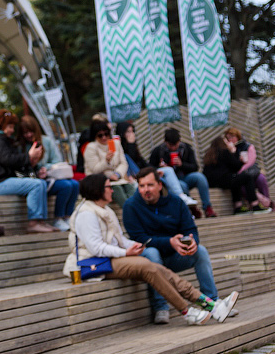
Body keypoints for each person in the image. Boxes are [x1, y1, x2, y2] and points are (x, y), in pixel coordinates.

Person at [63, 174, 237, 326]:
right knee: (149, 266)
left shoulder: (104, 210)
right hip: (93, 265)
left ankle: (210, 305)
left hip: (110, 259)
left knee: (157, 268)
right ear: (97, 190)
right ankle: (187, 312)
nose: (112, 190)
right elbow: (96, 248)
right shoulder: (86, 214)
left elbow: (119, 239)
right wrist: (126, 252)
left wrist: (133, 246)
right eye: (109, 187)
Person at [123, 167, 232, 325]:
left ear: (160, 185)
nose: (145, 190)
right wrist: (170, 242)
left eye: (150, 185)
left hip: (174, 256)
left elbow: (190, 228)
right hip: (149, 260)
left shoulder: (176, 201)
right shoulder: (131, 206)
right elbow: (139, 239)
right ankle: (160, 307)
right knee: (152, 252)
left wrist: (191, 241)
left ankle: (213, 302)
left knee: (200, 251)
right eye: (141, 186)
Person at [0, 109, 57, 233]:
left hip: (3, 181)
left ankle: (41, 222)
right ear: (1, 124)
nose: (12, 130)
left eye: (12, 127)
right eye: (10, 126)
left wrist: (33, 165)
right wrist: (29, 156)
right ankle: (33, 222)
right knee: (36, 185)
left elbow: (16, 164)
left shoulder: (4, 140)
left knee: (40, 183)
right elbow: (8, 159)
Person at [18, 115, 80, 231]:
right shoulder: (21, 146)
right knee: (65, 186)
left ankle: (68, 216)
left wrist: (45, 168)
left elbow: (56, 161)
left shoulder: (46, 141)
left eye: (31, 131)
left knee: (75, 184)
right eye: (25, 133)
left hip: (49, 176)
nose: (29, 135)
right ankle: (58, 218)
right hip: (36, 180)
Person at [148, 128, 212, 217]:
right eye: (170, 145)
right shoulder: (158, 151)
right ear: (165, 142)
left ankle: (207, 207)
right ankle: (191, 208)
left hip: (185, 176)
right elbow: (150, 167)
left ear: (179, 141)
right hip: (170, 180)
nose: (173, 148)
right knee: (182, 186)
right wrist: (161, 168)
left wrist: (182, 164)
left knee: (200, 177)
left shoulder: (186, 148)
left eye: (175, 145)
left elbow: (195, 167)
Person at [203, 134, 269, 214]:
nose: (228, 142)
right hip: (223, 180)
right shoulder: (225, 152)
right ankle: (255, 205)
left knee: (235, 179)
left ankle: (238, 206)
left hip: (211, 182)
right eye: (226, 141)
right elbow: (236, 166)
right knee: (246, 177)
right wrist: (234, 152)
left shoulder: (209, 154)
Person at [82, 120, 136, 207]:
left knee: (131, 188)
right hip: (100, 182)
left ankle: (136, 210)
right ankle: (130, 211)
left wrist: (117, 174)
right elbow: (94, 169)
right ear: (95, 135)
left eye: (106, 134)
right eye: (100, 135)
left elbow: (123, 163)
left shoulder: (115, 143)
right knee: (117, 191)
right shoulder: (91, 147)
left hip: (118, 179)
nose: (104, 137)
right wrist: (106, 162)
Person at [225, 127, 271, 210]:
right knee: (243, 183)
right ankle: (264, 202)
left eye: (232, 137)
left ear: (237, 136)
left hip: (250, 172)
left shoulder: (247, 146)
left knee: (261, 179)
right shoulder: (228, 150)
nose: (230, 139)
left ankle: (266, 200)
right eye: (228, 138)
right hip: (239, 175)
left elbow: (251, 161)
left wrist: (241, 171)